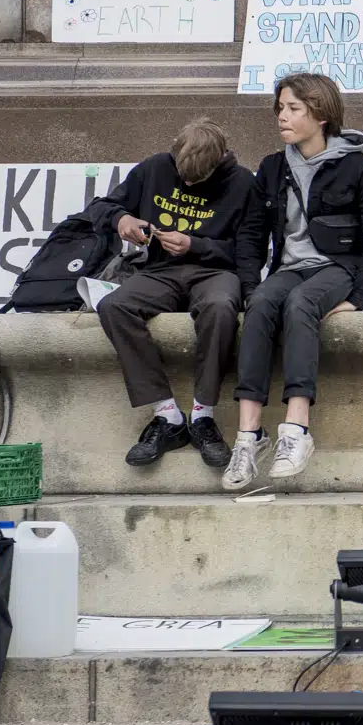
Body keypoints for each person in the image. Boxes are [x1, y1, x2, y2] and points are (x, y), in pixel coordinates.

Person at [225, 73, 363, 491]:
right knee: (263, 303)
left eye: (293, 108)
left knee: (301, 304)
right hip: (288, 268)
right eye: (280, 108)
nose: (282, 117)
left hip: (336, 268)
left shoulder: (354, 165)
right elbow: (250, 235)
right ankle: (248, 437)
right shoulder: (272, 167)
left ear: (320, 115)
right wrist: (250, 286)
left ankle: (295, 431)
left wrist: (357, 297)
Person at [96, 118, 256, 469]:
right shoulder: (155, 167)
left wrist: (196, 244)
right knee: (113, 306)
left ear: (218, 162)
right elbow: (102, 207)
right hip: (160, 270)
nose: (186, 183)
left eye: (196, 180)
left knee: (220, 306)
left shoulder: (242, 182)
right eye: (182, 176)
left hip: (215, 271)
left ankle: (203, 415)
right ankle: (166, 416)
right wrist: (122, 219)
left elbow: (248, 251)